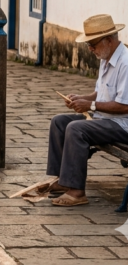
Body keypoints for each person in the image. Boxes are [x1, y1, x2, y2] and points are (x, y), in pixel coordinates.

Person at [45, 14, 128, 207]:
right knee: (59, 122)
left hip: (122, 125)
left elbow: (124, 105)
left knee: (76, 129)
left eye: (93, 44)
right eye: (88, 44)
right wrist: (83, 99)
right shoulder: (106, 57)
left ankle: (77, 192)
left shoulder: (125, 63)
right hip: (105, 119)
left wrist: (90, 106)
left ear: (109, 40)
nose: (90, 49)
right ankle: (64, 180)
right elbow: (100, 93)